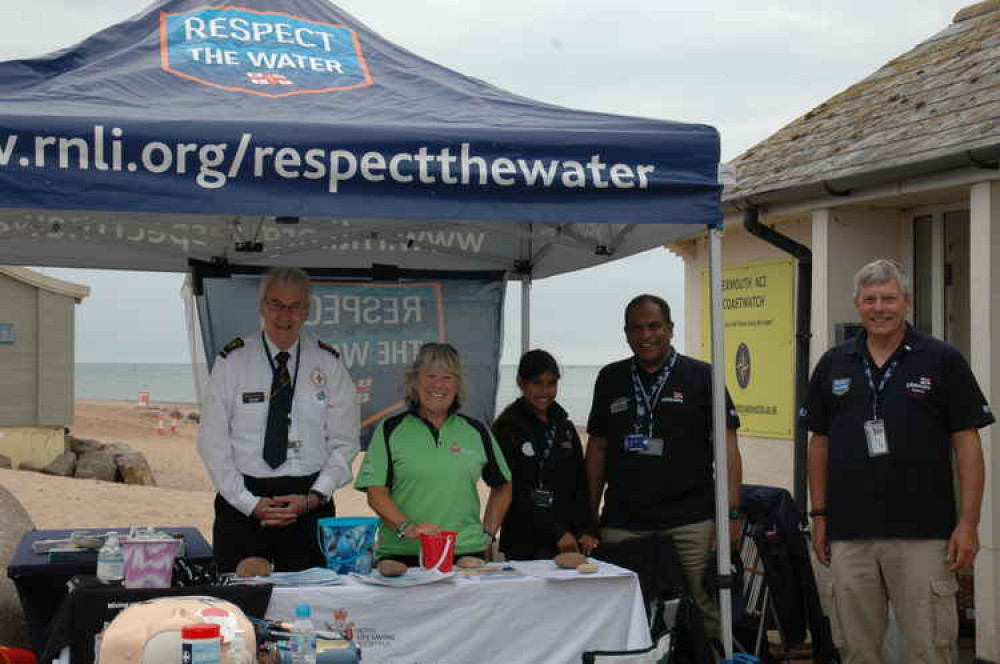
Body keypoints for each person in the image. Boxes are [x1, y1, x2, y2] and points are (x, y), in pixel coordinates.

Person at [805, 259, 991, 664]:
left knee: (930, 648)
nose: (879, 308)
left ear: (906, 302)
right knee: (856, 649)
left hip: (924, 535)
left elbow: (967, 443)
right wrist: (819, 516)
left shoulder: (942, 359)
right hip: (850, 534)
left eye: (889, 298)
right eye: (870, 299)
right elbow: (818, 442)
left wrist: (969, 524)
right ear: (857, 304)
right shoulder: (834, 363)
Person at [585, 293, 742, 643]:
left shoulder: (704, 376)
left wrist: (731, 514)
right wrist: (589, 514)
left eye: (654, 326)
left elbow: (728, 449)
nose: (646, 335)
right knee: (625, 609)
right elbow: (597, 447)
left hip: (691, 522)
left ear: (670, 329)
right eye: (637, 328)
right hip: (623, 523)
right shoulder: (610, 378)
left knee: (702, 608)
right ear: (626, 333)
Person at [197, 267, 360, 572]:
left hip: (309, 501)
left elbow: (345, 442)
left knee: (312, 606)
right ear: (262, 307)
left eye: (295, 306)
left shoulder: (329, 363)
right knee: (241, 608)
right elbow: (212, 442)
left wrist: (315, 496)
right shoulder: (232, 361)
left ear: (307, 311)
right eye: (276, 304)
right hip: (244, 502)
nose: (285, 315)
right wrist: (249, 503)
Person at [355, 342, 512, 565]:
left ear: (457, 385)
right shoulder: (390, 429)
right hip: (402, 554)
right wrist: (406, 527)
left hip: (464, 552)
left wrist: (487, 535)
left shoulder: (476, 431)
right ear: (414, 381)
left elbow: (503, 485)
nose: (438, 385)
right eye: (430, 376)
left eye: (447, 377)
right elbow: (376, 492)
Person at [493, 349, 599, 560]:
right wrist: (557, 532)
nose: (545, 390)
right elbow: (513, 492)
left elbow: (580, 485)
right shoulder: (507, 428)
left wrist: (587, 530)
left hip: (568, 542)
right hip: (524, 542)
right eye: (537, 383)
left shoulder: (565, 427)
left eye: (551, 383)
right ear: (520, 383)